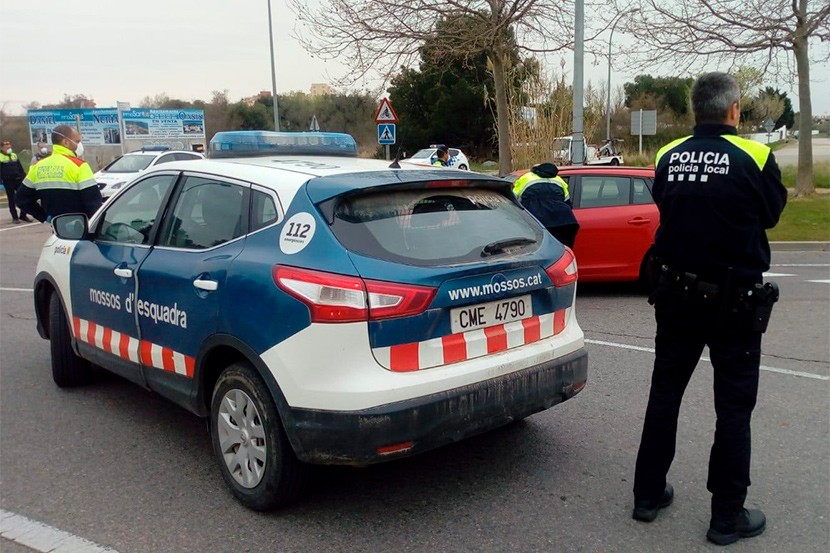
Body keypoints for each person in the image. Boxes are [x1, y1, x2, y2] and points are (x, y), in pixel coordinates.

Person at [631, 72, 787, 546]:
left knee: (665, 395)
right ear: (735, 110)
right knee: (734, 408)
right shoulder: (755, 156)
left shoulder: (667, 155)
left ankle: (648, 495)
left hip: (676, 295)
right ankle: (726, 516)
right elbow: (772, 214)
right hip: (734, 302)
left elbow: (666, 202)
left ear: (695, 109)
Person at [16, 125, 103, 222]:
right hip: (80, 226)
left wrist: (43, 216)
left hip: (57, 229)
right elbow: (94, 203)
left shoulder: (37, 166)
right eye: (78, 141)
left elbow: (21, 199)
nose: (80, 145)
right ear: (66, 142)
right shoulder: (79, 166)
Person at [512, 162, 579, 247]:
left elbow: (513, 200)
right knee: (562, 251)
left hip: (537, 222)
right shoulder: (559, 180)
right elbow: (568, 203)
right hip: (565, 221)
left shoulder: (525, 178)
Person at [0, 139, 33, 224]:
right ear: (1, 148)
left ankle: (23, 215)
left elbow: (20, 167)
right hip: (8, 181)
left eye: (9, 145)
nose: (8, 146)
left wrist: (23, 176)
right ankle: (15, 217)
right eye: (6, 145)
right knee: (12, 200)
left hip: (18, 179)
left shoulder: (14, 155)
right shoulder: (0, 157)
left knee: (22, 197)